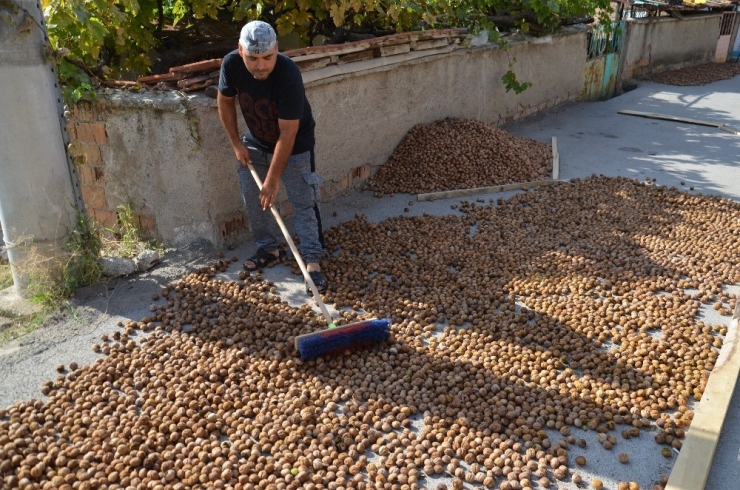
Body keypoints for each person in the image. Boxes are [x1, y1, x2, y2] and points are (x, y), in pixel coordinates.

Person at [217, 20, 328, 295]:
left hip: (295, 143)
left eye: (268, 57)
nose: (261, 66)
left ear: (277, 49)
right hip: (253, 142)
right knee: (255, 201)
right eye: (252, 58)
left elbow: (288, 133)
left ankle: (312, 261)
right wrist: (235, 144)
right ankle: (269, 249)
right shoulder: (231, 65)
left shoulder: (288, 74)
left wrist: (273, 178)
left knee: (303, 201)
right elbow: (224, 101)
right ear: (240, 50)